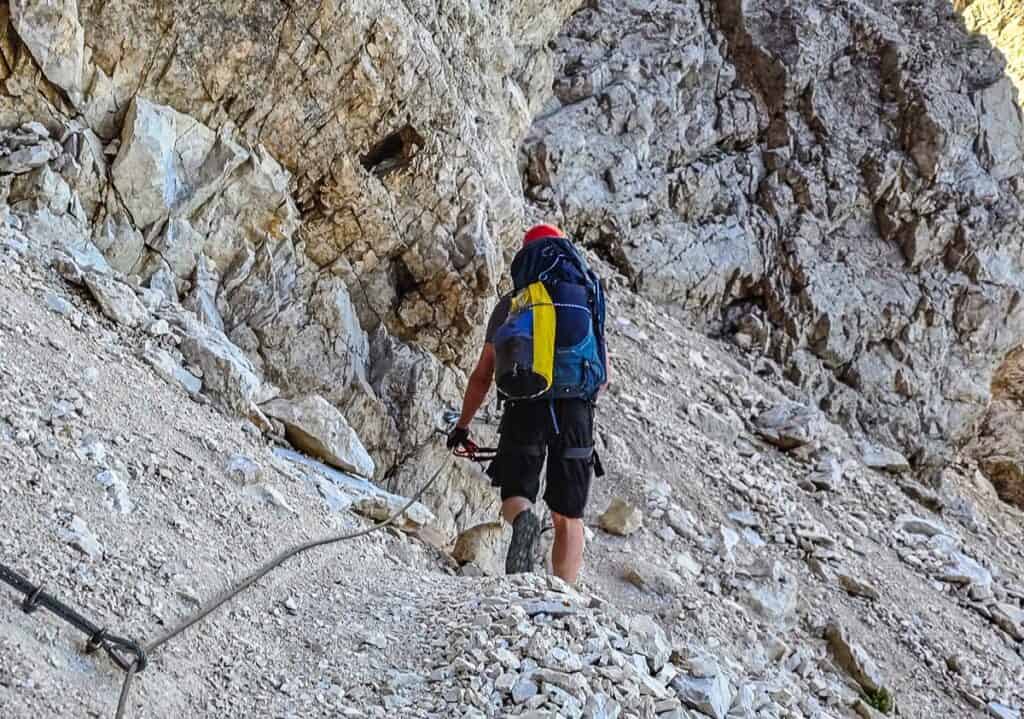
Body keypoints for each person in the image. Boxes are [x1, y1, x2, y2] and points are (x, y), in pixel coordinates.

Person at [447, 224, 608, 584]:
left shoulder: (515, 301)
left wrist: (462, 426)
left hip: (525, 402)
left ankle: (523, 520)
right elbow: (604, 374)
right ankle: (563, 594)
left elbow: (482, 375)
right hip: (576, 409)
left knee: (516, 493)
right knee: (568, 514)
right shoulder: (587, 296)